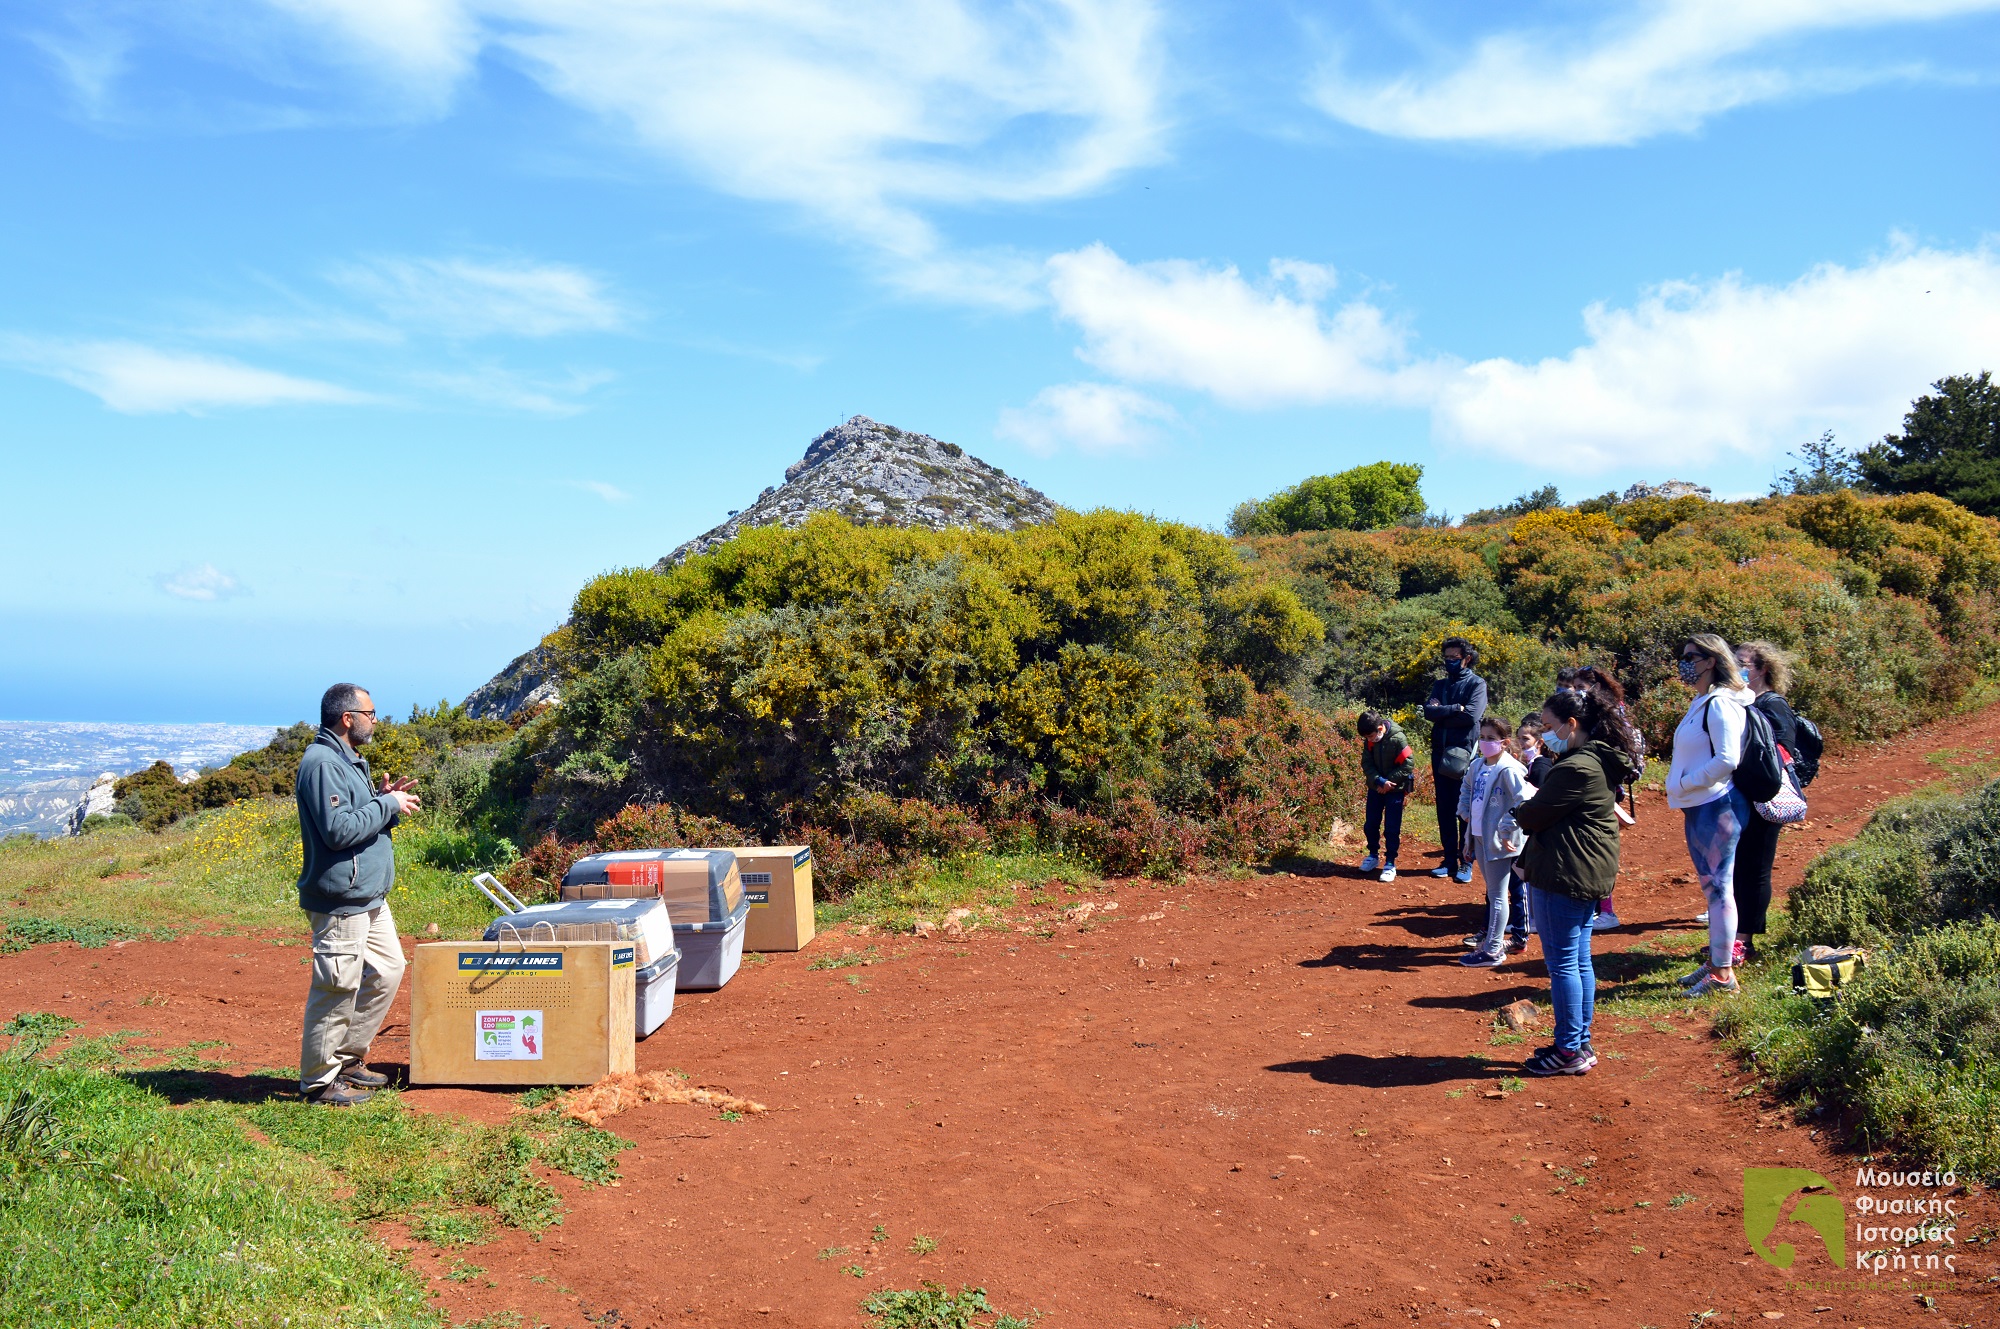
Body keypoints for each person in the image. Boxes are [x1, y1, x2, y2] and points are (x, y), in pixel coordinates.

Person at [296, 683, 421, 1107]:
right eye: (370, 713)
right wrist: (386, 807)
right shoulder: (322, 763)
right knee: (337, 986)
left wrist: (384, 802)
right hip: (340, 900)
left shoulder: (350, 762)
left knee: (388, 970)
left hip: (368, 896)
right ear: (347, 718)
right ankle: (318, 1081)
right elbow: (338, 831)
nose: (375, 720)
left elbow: (357, 820)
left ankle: (347, 1059)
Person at [1512, 685, 1642, 1074]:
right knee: (1579, 960)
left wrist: (1520, 807)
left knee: (1564, 965)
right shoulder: (1596, 760)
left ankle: (1569, 1050)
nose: (1544, 732)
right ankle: (1577, 1043)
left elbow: (1534, 815)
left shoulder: (1574, 767)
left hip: (1565, 871)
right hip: (1585, 868)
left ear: (1571, 724)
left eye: (1549, 725)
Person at [1666, 634, 1752, 997]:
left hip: (1717, 805)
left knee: (1719, 890)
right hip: (1701, 805)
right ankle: (1716, 963)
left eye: (1691, 656)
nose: (1684, 663)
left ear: (1711, 660)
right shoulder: (1702, 701)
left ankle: (1722, 975)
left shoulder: (1720, 704)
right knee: (1712, 889)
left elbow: (1727, 759)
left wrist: (1686, 782)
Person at [1732, 640, 1801, 964]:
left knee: (1755, 868)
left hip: (1765, 795)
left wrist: (1750, 768)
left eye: (1743, 662)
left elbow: (1784, 749)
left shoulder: (1773, 704)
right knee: (1739, 867)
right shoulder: (1740, 701)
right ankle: (1736, 938)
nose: (1737, 666)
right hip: (1743, 794)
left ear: (1762, 669)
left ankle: (1745, 941)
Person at [1574, 665, 1646, 932]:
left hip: (1602, 788)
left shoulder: (1605, 716)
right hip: (1604, 787)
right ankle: (1598, 908)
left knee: (1596, 849)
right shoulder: (1612, 710)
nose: (1578, 693)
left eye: (1582, 687)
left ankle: (1606, 910)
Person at [1456, 716, 1531, 967]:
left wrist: (1508, 829)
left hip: (1499, 841)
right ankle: (1492, 944)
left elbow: (1522, 802)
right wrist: (1464, 812)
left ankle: (1493, 950)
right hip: (1479, 837)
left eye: (1491, 738)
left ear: (1505, 742)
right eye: (1482, 737)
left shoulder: (1509, 769)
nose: (1485, 742)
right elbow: (1466, 789)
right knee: (1492, 893)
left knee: (1498, 896)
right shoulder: (1478, 765)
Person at [1422, 637, 1487, 883]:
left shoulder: (1477, 684)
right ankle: (1449, 859)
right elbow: (1429, 711)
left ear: (1466, 659)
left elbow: (1471, 717)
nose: (1449, 662)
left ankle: (1465, 862)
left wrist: (1443, 711)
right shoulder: (1440, 684)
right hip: (1440, 755)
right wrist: (1454, 709)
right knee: (1444, 809)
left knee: (1465, 811)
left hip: (1464, 756)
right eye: (1446, 658)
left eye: (1454, 658)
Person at [1357, 712, 1414, 883]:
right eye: (1367, 737)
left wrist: (1390, 782)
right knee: (1371, 824)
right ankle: (1373, 855)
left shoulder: (1398, 738)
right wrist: (1379, 781)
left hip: (1395, 790)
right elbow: (1366, 764)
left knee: (1391, 828)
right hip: (1376, 788)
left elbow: (1408, 764)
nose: (1370, 739)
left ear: (1380, 728)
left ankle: (1390, 863)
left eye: (1372, 736)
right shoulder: (1368, 740)